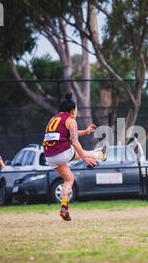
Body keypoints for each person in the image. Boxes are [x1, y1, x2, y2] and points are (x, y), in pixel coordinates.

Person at [43, 93, 107, 221]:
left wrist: (85, 131)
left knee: (69, 179)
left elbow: (69, 134)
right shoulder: (71, 120)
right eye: (77, 110)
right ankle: (99, 154)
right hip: (61, 152)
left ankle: (64, 207)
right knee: (79, 151)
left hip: (49, 156)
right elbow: (75, 142)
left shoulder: (54, 119)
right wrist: (84, 158)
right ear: (73, 111)